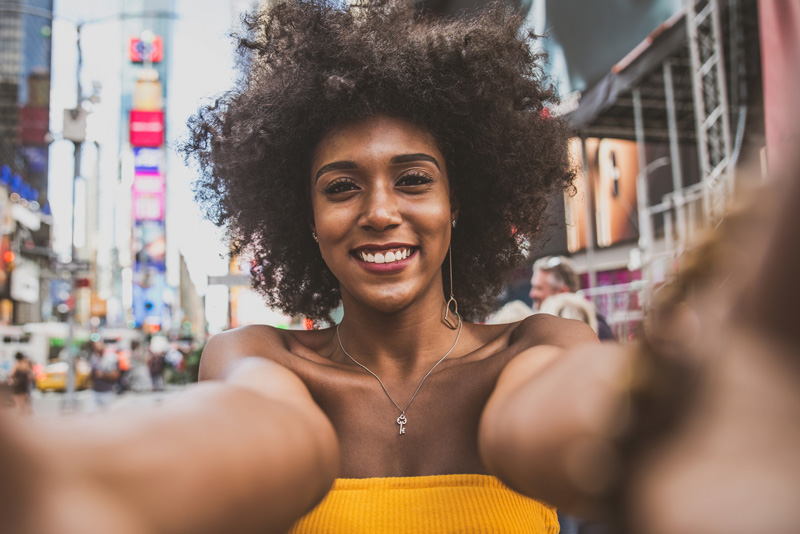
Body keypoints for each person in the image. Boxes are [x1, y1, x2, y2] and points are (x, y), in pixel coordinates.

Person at [1, 2, 799, 533]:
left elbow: (552, 417)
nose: (380, 210)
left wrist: (682, 426)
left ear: (460, 203)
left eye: (414, 179)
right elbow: (266, 435)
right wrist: (69, 482)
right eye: (341, 188)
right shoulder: (256, 357)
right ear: (303, 221)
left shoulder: (538, 350)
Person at [530, 255, 615, 340]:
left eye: (539, 288)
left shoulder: (595, 329)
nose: (532, 294)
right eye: (533, 287)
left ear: (562, 292)